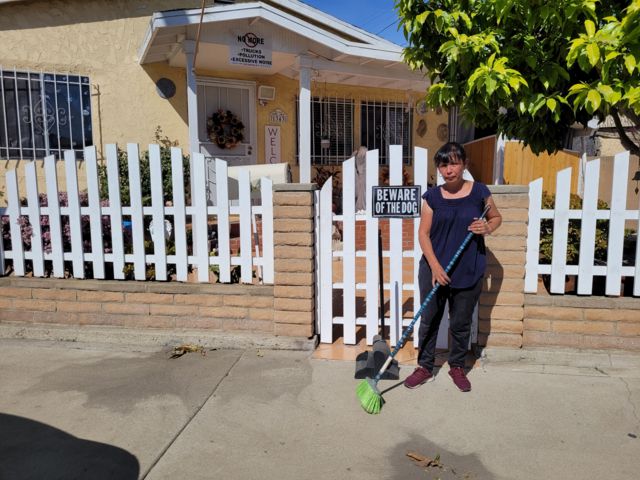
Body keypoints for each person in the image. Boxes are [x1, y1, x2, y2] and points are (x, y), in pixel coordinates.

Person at [404, 142, 502, 392]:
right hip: (435, 269)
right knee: (430, 319)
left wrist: (487, 228)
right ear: (439, 168)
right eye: (443, 164)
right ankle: (425, 366)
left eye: (454, 163)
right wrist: (435, 267)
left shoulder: (480, 192)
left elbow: (496, 217)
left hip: (468, 267)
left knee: (460, 322)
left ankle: (457, 365)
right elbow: (423, 235)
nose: (449, 169)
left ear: (465, 164)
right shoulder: (432, 197)